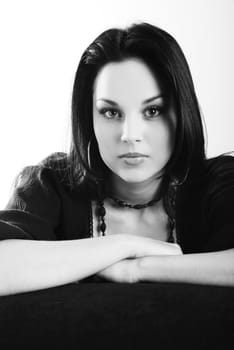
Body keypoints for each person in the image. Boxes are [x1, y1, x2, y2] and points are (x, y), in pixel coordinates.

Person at [0, 21, 234, 297]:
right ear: (89, 118)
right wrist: (125, 246)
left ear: (182, 113)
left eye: (153, 111)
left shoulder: (219, 183)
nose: (130, 135)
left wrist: (137, 269)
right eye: (111, 113)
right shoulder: (51, 182)